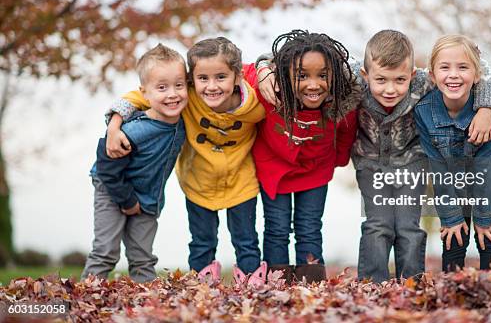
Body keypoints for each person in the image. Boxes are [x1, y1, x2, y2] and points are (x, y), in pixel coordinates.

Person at [105, 38, 267, 287]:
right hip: (198, 182)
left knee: (246, 241)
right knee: (202, 241)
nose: (211, 87)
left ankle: (251, 287)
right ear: (192, 79)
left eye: (221, 77)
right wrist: (114, 126)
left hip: (240, 181)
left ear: (237, 77)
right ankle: (201, 287)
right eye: (203, 78)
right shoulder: (184, 97)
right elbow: (139, 95)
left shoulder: (255, 105)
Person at [351, 30, 491, 282]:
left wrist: (486, 107)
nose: (390, 89)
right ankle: (371, 284)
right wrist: (266, 68)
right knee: (378, 225)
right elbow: (323, 60)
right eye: (381, 80)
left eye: (400, 80)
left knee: (408, 227)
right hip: (370, 163)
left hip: (412, 160)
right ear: (366, 76)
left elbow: (478, 71)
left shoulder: (423, 81)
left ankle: (412, 282)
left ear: (411, 74)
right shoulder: (354, 77)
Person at [250, 30, 361, 283]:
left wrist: (339, 160)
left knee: (309, 228)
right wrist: (264, 69)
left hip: (316, 170)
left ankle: (311, 285)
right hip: (274, 168)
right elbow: (245, 70)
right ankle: (278, 285)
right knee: (276, 228)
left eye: (322, 75)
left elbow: (345, 133)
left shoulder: (343, 100)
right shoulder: (270, 90)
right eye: (302, 76)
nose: (313, 84)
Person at [82, 44, 188, 283]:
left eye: (179, 85)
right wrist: (127, 200)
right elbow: (107, 166)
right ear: (145, 93)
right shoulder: (135, 130)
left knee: (142, 256)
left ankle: (146, 305)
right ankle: (82, 301)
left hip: (149, 196)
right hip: (112, 189)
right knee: (105, 252)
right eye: (162, 87)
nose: (172, 94)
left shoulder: (184, 117)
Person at [414, 34, 491, 272]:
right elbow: (437, 168)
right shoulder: (423, 112)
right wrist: (451, 217)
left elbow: (485, 165)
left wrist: (485, 217)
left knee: (489, 238)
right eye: (445, 67)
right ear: (433, 76)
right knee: (454, 238)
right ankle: (452, 294)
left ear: (476, 75)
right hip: (450, 178)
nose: (454, 74)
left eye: (463, 67)